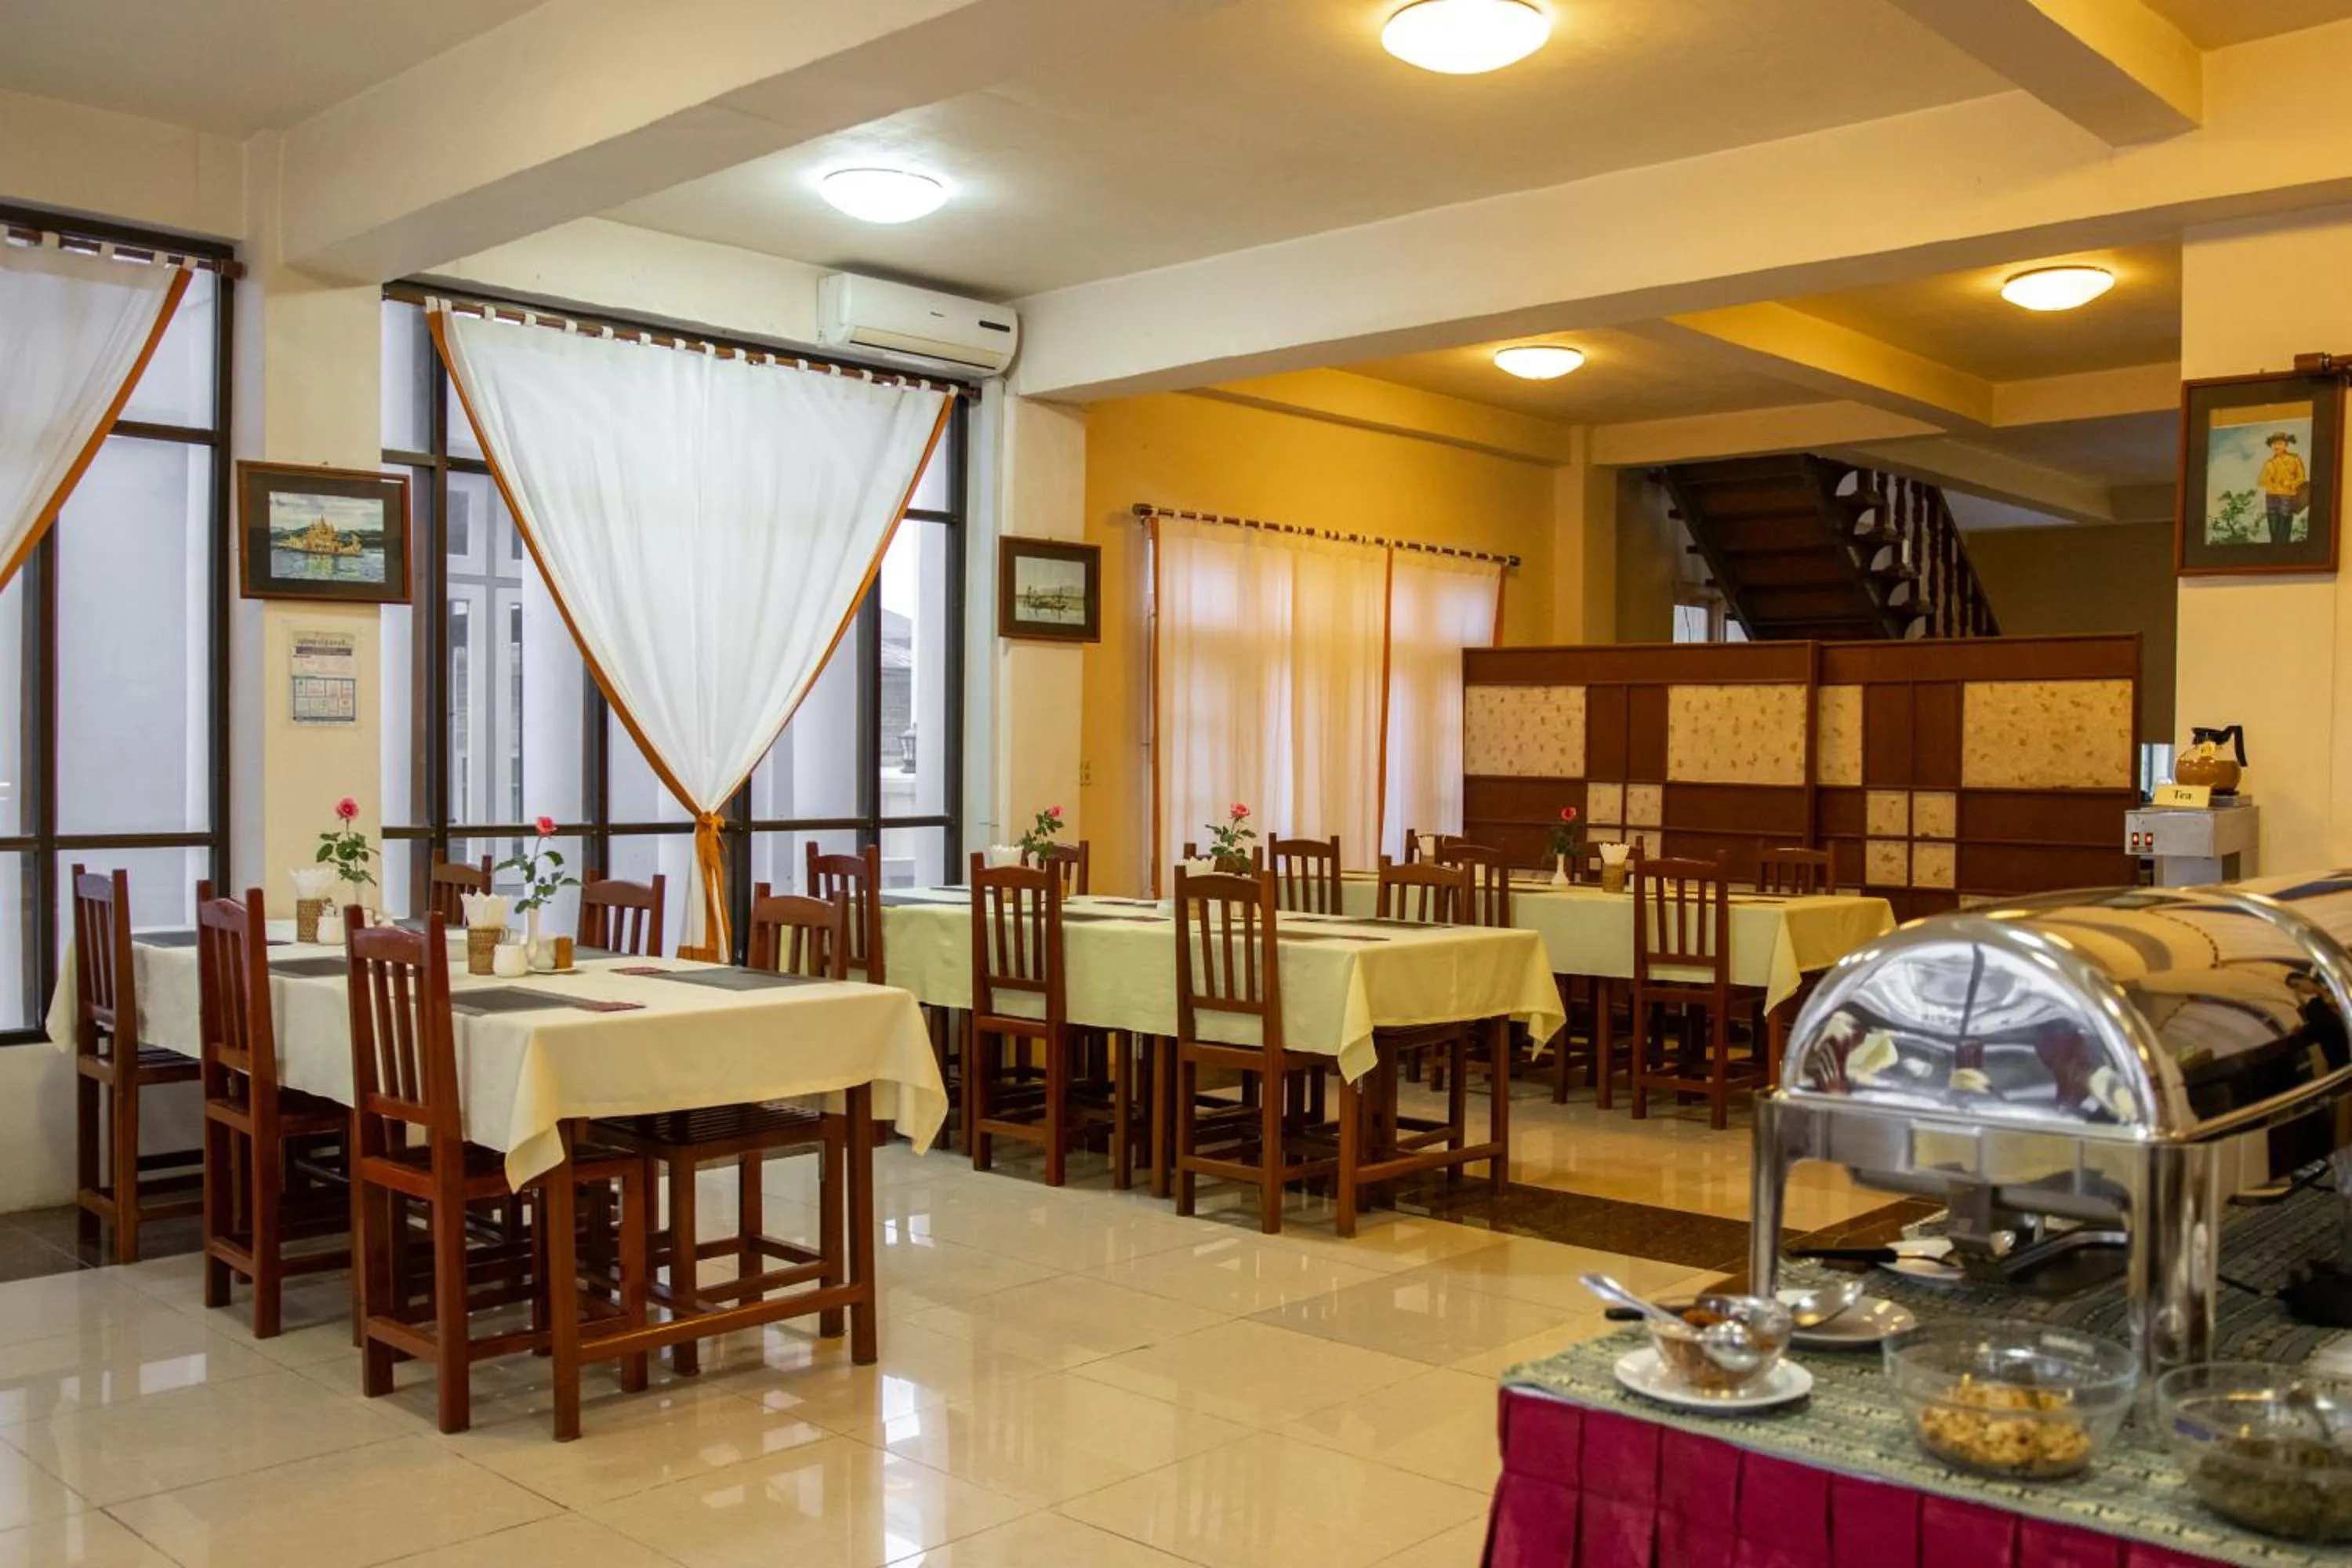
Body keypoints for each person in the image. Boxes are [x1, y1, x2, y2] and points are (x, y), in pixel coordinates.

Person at [2259, 430, 2308, 545]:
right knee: (2273, 527)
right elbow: (2261, 480)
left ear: (2286, 445)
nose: (2277, 446)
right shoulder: (2269, 463)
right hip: (2272, 496)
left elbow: (2301, 477)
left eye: (2280, 443)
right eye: (2274, 444)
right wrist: (2274, 484)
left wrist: (2291, 483)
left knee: (2284, 527)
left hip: (2287, 496)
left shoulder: (2294, 459)